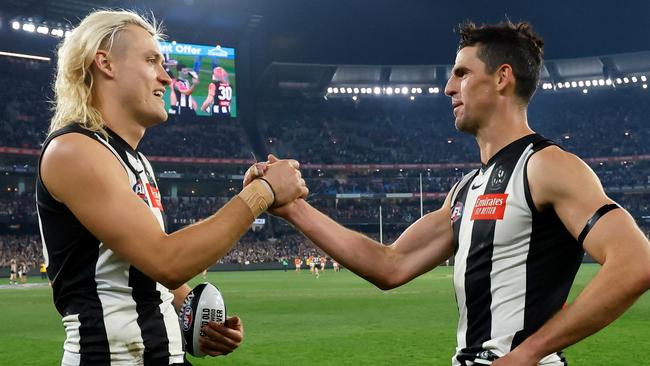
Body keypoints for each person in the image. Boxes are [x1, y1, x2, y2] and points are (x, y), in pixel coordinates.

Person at [247, 21, 650, 366]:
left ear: (501, 77)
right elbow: (390, 265)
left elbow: (635, 261)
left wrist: (527, 354)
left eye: (461, 74)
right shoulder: (466, 190)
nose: (447, 88)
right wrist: (294, 208)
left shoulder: (546, 166)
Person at [37, 10, 307, 365]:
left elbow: (148, 272)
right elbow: (166, 261)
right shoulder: (73, 150)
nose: (166, 77)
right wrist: (262, 194)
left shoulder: (136, 162)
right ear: (105, 63)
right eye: (152, 61)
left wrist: (193, 319)